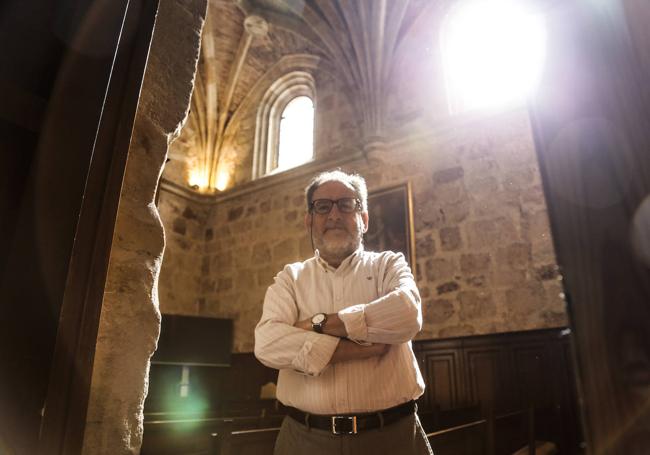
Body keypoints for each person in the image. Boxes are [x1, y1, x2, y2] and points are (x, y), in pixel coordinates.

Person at [254, 170, 432, 455]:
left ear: (364, 219)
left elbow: (408, 315)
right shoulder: (290, 278)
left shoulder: (388, 265)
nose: (334, 214)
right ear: (309, 220)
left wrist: (315, 325)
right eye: (322, 206)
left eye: (346, 204)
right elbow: (267, 344)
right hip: (304, 441)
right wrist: (354, 349)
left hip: (392, 438)